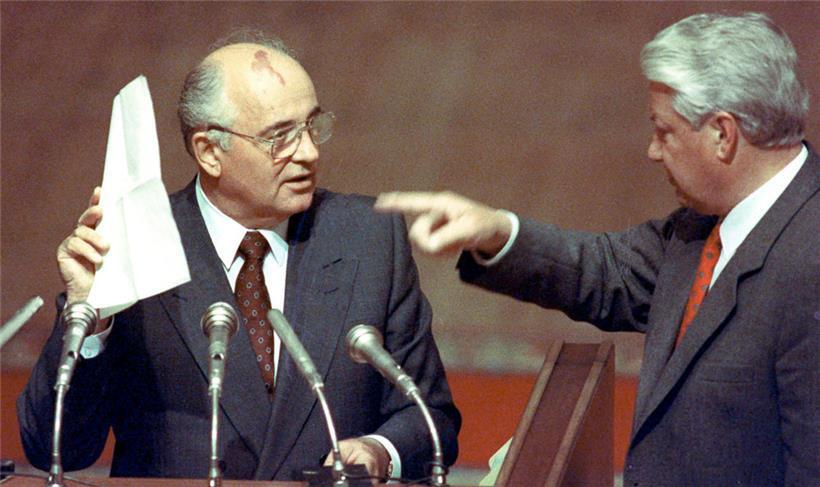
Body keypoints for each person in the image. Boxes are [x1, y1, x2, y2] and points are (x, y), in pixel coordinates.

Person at [376, 12, 818, 486]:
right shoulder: (701, 228)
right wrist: (495, 232)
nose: (652, 150)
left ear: (722, 134)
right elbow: (608, 271)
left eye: (664, 131)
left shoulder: (809, 256)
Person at [18, 32, 460, 482]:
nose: (309, 152)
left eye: (311, 126)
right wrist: (89, 315)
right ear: (210, 151)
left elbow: (431, 419)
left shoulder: (367, 238)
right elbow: (56, 448)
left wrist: (378, 450)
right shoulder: (138, 242)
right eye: (280, 137)